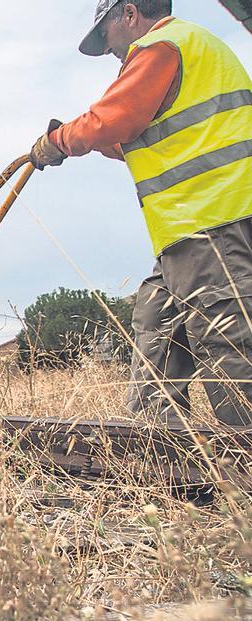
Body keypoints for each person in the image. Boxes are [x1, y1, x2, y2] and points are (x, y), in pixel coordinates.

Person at [30, 0, 252, 427]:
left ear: (129, 14)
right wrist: (85, 139)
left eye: (105, 34)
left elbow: (112, 120)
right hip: (187, 236)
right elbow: (127, 136)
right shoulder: (192, 51)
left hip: (212, 223)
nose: (109, 48)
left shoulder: (161, 45)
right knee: (156, 327)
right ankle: (162, 467)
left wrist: (57, 141)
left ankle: (243, 481)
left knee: (230, 358)